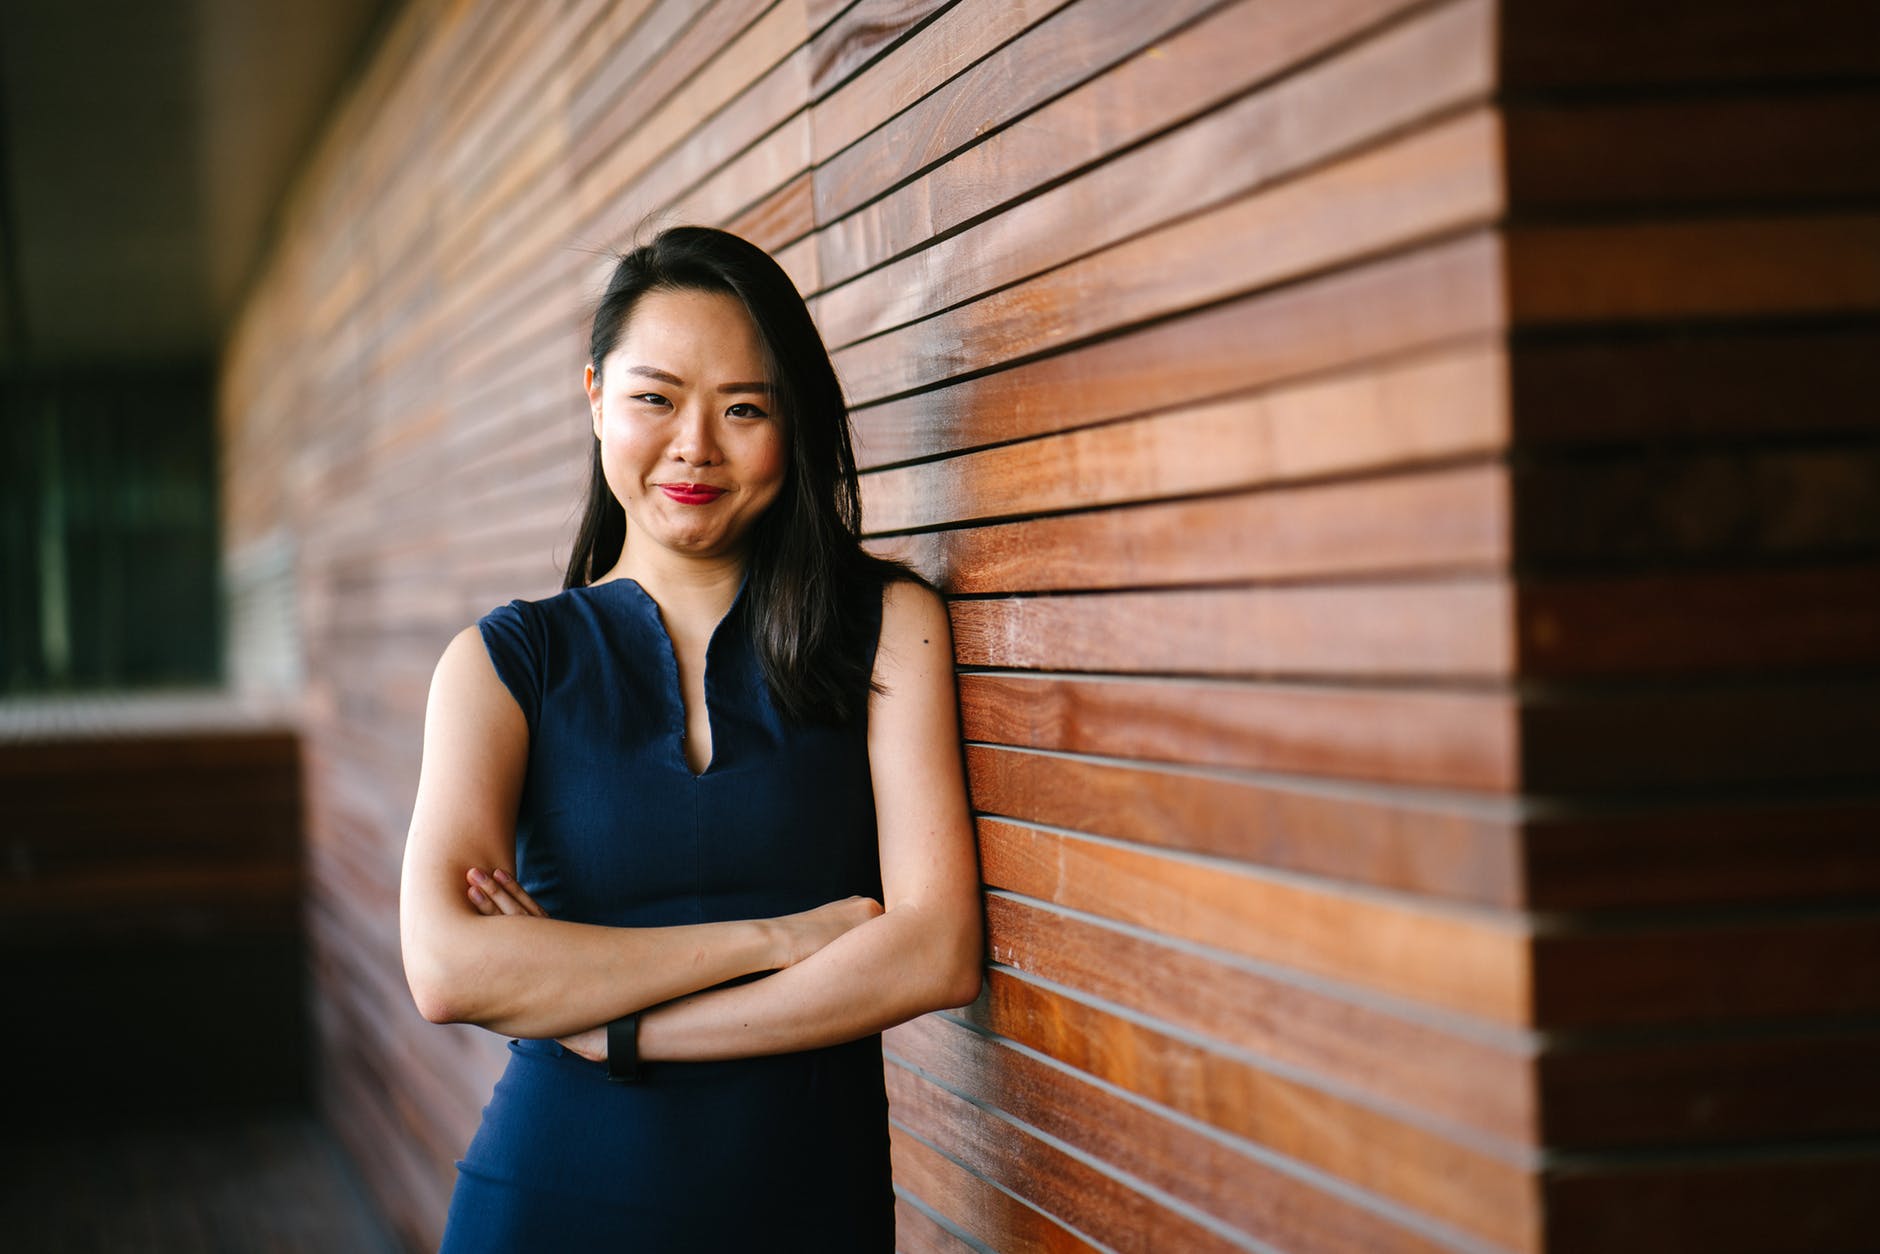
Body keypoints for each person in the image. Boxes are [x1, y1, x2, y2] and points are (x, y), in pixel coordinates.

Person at [398, 225, 984, 1251]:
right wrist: (780, 939)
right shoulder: (504, 664)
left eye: (743, 408)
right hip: (550, 1200)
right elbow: (449, 968)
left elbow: (933, 953)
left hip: (802, 1210)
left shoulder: (886, 626)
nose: (694, 447)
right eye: (655, 398)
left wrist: (618, 1027)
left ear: (792, 425)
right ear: (594, 397)